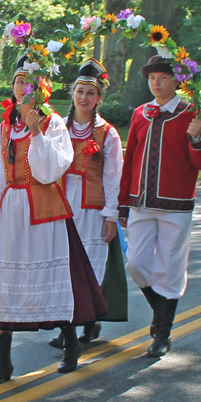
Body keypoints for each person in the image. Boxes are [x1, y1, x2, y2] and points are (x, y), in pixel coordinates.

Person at [0, 57, 108, 388]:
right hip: (10, 210)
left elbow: (49, 171)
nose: (23, 88)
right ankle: (2, 362)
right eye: (19, 81)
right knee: (6, 282)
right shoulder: (6, 125)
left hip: (43, 210)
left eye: (29, 83)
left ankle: (71, 343)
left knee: (54, 279)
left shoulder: (52, 124)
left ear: (40, 89)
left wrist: (36, 131)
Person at [119, 54, 201, 357]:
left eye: (162, 77)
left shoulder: (192, 113)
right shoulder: (140, 114)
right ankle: (161, 311)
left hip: (176, 206)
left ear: (177, 81)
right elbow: (130, 159)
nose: (156, 83)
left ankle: (162, 332)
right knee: (135, 263)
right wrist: (123, 203)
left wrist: (198, 138)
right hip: (141, 203)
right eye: (151, 78)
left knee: (170, 268)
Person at [49, 58, 127, 350]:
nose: (84, 98)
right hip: (61, 203)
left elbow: (113, 178)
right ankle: (67, 323)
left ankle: (86, 318)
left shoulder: (107, 133)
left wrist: (110, 216)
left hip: (92, 208)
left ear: (99, 98)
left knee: (89, 266)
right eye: (80, 91)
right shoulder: (58, 128)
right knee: (62, 265)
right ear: (72, 93)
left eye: (90, 93)